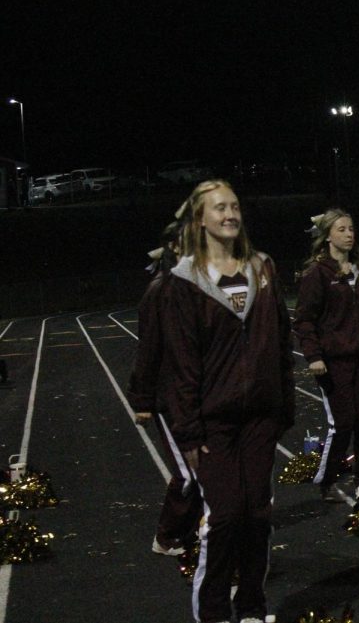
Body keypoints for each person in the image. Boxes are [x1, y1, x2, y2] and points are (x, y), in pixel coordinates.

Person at [162, 181, 294, 623]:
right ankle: (214, 613)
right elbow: (182, 363)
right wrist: (188, 431)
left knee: (257, 516)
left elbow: (280, 345)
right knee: (222, 519)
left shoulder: (263, 269)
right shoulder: (184, 280)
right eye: (219, 208)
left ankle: (253, 608)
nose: (230, 214)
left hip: (260, 418)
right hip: (213, 423)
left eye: (235, 206)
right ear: (200, 219)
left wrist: (283, 408)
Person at [127, 219, 203, 557]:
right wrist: (142, 400)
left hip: (196, 393)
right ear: (174, 246)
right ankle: (166, 536)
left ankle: (198, 529)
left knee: (206, 468)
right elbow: (149, 348)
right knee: (188, 473)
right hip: (169, 397)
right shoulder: (161, 290)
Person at [293, 209, 359, 502]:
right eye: (341, 229)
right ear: (327, 235)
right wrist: (313, 355)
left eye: (351, 228)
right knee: (343, 423)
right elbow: (304, 319)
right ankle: (327, 480)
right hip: (333, 360)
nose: (349, 234)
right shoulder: (316, 272)